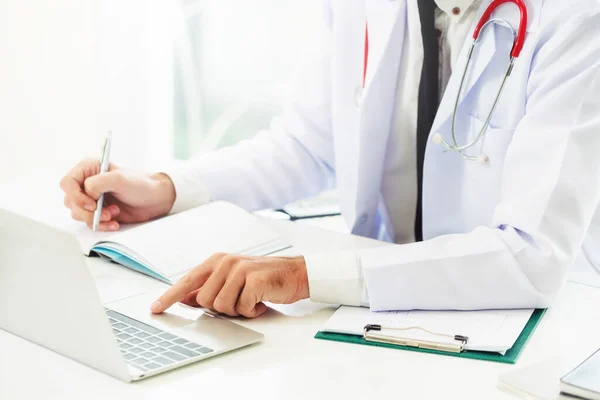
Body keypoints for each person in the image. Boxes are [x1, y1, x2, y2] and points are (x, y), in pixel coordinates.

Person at [61, 0, 600, 318]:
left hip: (528, 322)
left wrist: (307, 275)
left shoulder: (577, 19)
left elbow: (529, 255)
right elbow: (310, 144)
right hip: (382, 308)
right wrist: (169, 189)